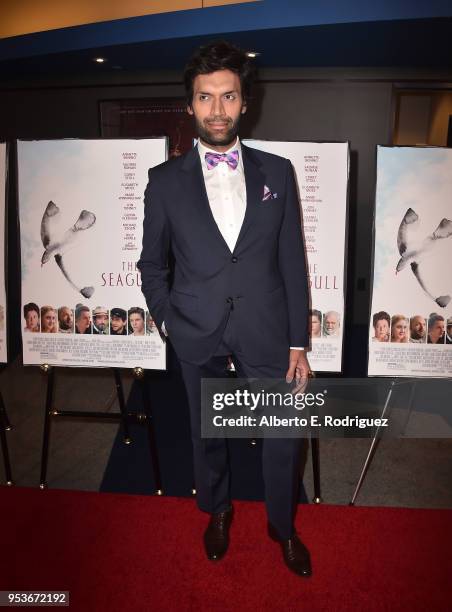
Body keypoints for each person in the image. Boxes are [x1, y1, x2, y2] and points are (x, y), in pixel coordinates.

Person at [138, 41, 311, 577]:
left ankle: (282, 526)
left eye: (228, 96)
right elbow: (152, 265)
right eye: (205, 98)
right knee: (207, 432)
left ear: (244, 103)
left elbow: (292, 262)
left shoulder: (278, 173)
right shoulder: (163, 183)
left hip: (265, 327)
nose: (217, 110)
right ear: (189, 105)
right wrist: (169, 320)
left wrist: (297, 342)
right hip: (196, 328)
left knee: (283, 432)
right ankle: (217, 510)